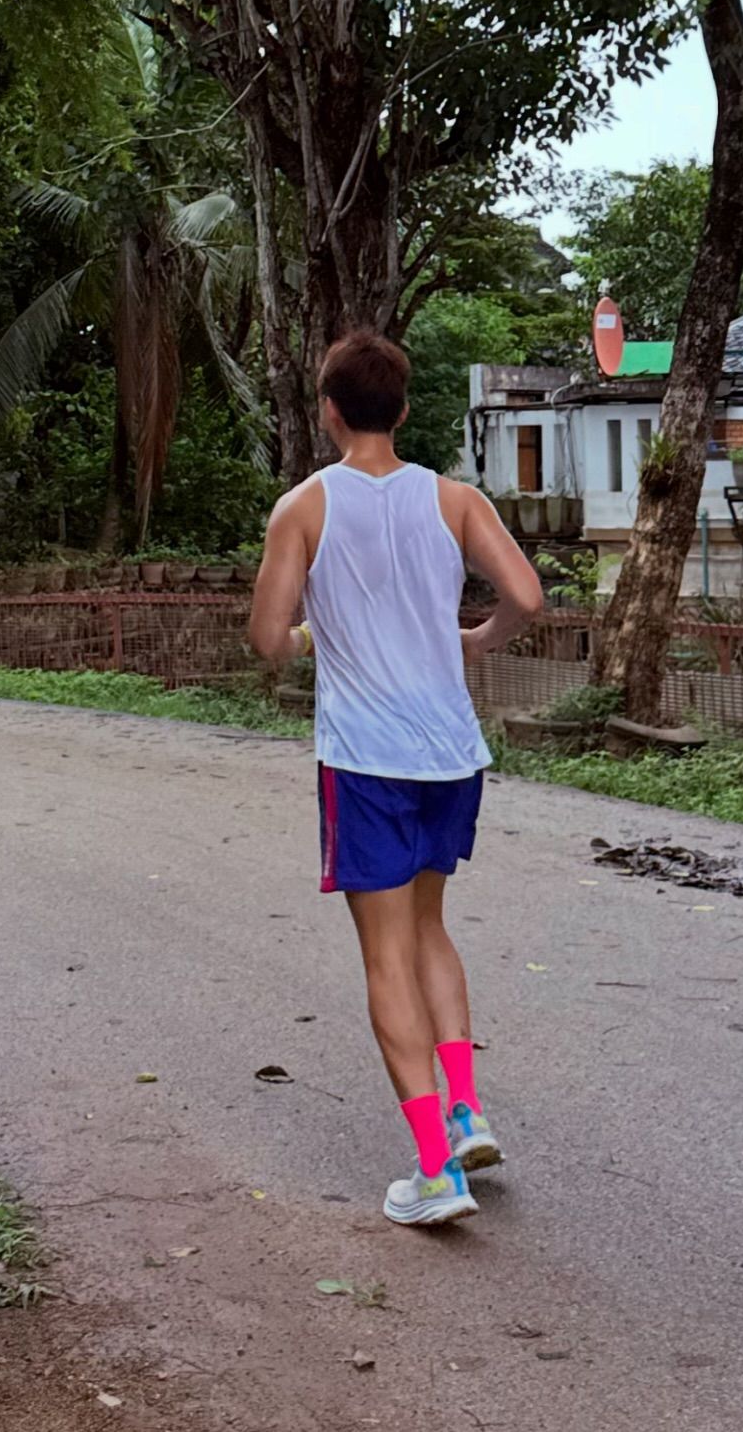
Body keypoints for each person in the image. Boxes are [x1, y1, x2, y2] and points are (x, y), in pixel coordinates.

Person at [248, 330, 543, 1226]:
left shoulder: (303, 507)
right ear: (404, 410)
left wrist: (309, 637)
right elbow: (527, 598)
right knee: (430, 931)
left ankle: (434, 1170)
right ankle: (465, 1108)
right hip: (450, 753)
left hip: (366, 759)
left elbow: (267, 640)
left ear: (329, 411)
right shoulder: (454, 499)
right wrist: (477, 641)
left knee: (384, 954)